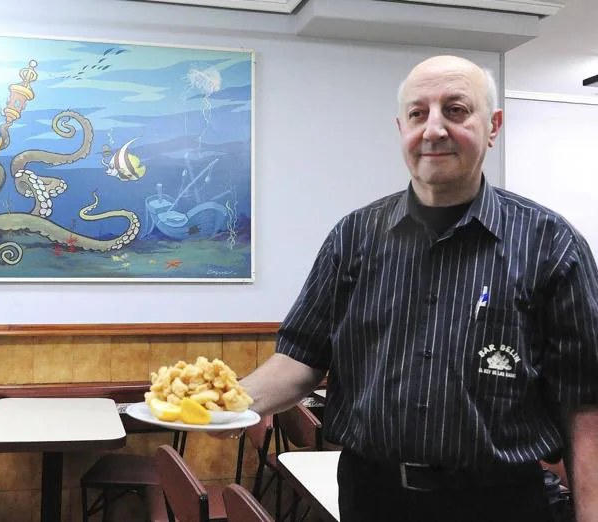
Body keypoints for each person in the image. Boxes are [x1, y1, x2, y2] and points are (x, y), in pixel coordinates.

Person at [238, 55, 598, 521]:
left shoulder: (552, 245)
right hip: (373, 497)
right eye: (417, 113)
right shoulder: (354, 237)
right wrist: (226, 404)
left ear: (493, 126)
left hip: (501, 501)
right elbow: (300, 357)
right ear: (401, 128)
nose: (433, 129)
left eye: (455, 110)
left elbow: (585, 407)